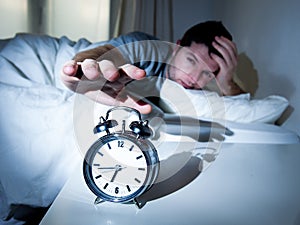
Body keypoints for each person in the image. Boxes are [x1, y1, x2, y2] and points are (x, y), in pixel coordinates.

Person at [61, 20, 245, 114]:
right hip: (61, 52)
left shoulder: (205, 85)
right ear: (177, 46)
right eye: (191, 60)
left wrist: (227, 82)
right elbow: (101, 56)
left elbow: (242, 107)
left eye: (207, 72)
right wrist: (87, 68)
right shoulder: (146, 48)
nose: (194, 78)